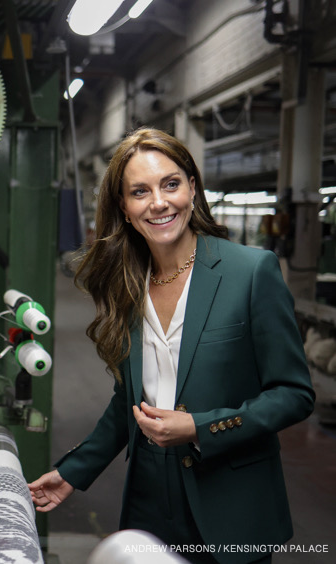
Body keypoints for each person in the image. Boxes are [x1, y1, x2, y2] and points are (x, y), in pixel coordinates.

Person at [28, 127, 314, 564]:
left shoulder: (250, 272)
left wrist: (201, 427)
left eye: (171, 184)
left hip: (231, 501)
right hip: (149, 497)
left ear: (193, 189)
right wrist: (73, 472)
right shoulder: (126, 284)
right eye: (139, 192)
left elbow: (294, 395)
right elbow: (129, 401)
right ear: (124, 208)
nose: (158, 202)